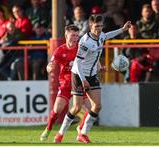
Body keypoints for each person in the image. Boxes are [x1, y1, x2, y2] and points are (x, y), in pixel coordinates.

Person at [54, 14, 131, 143]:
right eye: (96, 26)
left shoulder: (101, 35)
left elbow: (108, 35)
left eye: (101, 26)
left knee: (97, 106)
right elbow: (77, 63)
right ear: (90, 26)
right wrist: (83, 79)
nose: (99, 29)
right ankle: (60, 133)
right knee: (77, 107)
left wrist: (122, 29)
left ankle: (83, 133)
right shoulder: (85, 42)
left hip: (92, 74)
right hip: (78, 75)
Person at [40, 24, 91, 142]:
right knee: (57, 110)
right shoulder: (60, 50)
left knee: (91, 109)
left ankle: (80, 129)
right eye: (73, 35)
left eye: (77, 36)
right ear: (66, 35)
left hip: (78, 82)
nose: (75, 38)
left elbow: (91, 59)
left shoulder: (81, 48)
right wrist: (50, 68)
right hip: (66, 83)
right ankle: (48, 129)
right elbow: (51, 64)